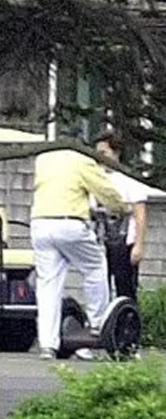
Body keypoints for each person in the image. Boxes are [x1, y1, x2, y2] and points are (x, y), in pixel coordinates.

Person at [30, 143, 128, 360]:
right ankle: (97, 324)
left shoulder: (44, 159)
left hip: (40, 223)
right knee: (95, 267)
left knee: (48, 285)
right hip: (69, 223)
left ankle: (47, 343)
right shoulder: (82, 160)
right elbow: (103, 189)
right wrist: (121, 207)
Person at [94, 130, 151, 303]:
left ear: (116, 152)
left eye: (104, 153)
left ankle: (127, 322)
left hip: (124, 242)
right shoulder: (95, 177)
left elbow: (140, 214)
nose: (100, 157)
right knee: (100, 284)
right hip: (100, 241)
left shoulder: (129, 179)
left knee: (125, 287)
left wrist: (139, 245)